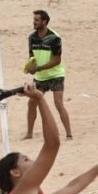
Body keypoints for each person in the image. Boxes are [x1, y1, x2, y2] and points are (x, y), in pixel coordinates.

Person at [24, 10, 73, 140]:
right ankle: (29, 134)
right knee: (31, 103)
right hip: (40, 76)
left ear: (44, 22)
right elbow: (32, 56)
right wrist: (31, 66)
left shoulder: (54, 38)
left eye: (36, 20)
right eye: (34, 19)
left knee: (58, 103)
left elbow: (57, 60)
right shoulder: (32, 37)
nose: (34, 22)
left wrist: (39, 68)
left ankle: (69, 134)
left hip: (56, 75)